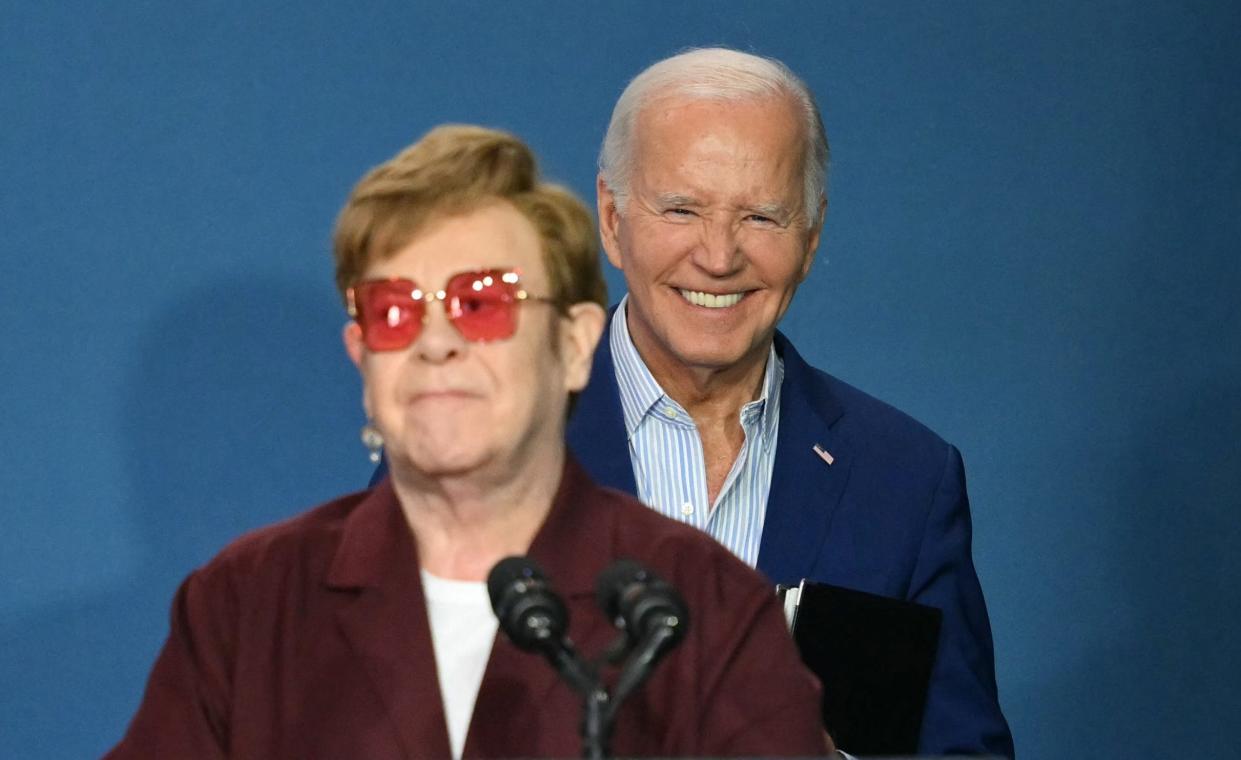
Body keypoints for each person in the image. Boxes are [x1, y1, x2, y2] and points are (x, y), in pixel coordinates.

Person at [106, 126, 830, 759]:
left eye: (479, 303)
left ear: (575, 344)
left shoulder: (699, 606)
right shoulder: (249, 603)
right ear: (362, 359)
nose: (435, 344)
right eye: (393, 312)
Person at [564, 48, 1016, 756]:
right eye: (681, 208)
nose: (718, 256)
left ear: (811, 236)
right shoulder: (485, 451)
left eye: (761, 218)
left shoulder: (903, 480)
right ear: (612, 219)